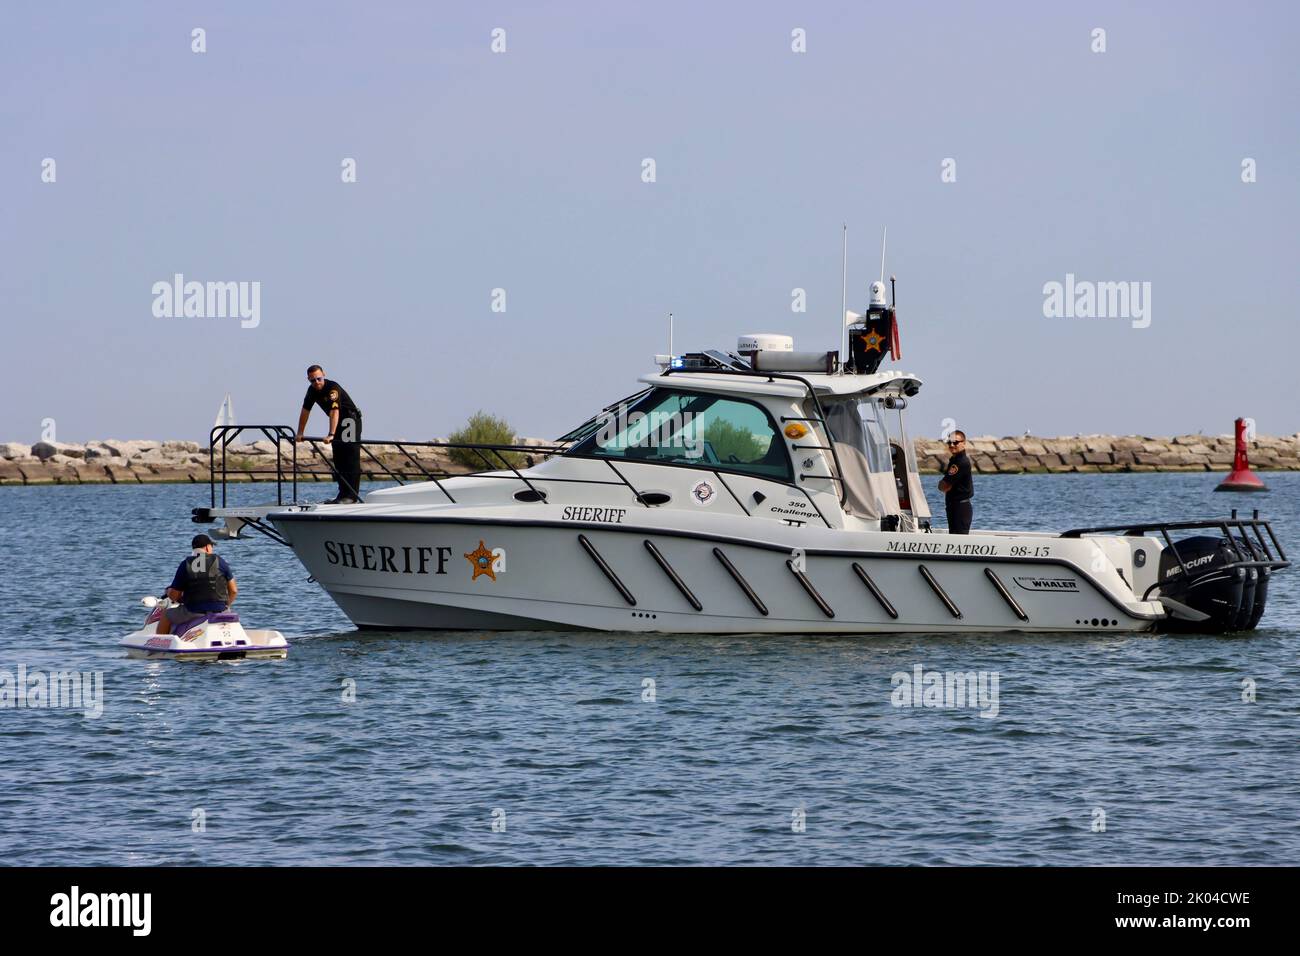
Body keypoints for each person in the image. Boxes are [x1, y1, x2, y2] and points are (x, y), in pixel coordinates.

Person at [297, 364, 364, 504]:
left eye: (319, 379)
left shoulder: (332, 388)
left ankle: (351, 496)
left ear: (324, 375)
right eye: (312, 380)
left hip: (349, 420)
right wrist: (300, 433)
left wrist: (331, 434)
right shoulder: (312, 391)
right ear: (308, 380)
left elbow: (335, 411)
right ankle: (342, 494)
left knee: (349, 457)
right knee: (339, 458)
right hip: (338, 423)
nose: (316, 383)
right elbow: (305, 411)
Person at [156, 534, 237, 635]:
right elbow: (233, 591)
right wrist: (226, 605)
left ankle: (160, 645)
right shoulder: (220, 561)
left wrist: (168, 592)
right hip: (220, 610)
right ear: (207, 547)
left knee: (166, 615)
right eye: (212, 546)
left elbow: (174, 596)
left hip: (193, 612)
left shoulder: (186, 564)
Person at [938, 430, 974, 535]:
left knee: (959, 542)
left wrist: (941, 484)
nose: (952, 445)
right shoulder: (954, 460)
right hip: (955, 507)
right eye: (950, 442)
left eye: (956, 442)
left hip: (960, 508)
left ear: (964, 443)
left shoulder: (960, 462)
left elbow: (944, 486)